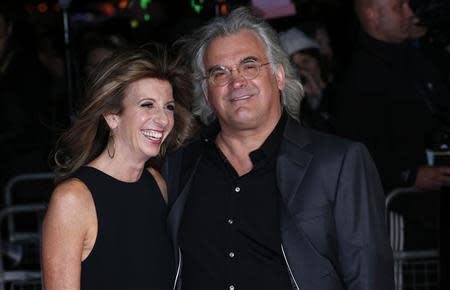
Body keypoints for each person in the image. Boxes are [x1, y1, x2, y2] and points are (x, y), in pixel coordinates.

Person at [164, 7, 394, 290]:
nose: (236, 82)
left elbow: (369, 279)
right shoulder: (179, 166)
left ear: (279, 76)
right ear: (208, 94)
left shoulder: (339, 163)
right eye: (219, 73)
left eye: (249, 66)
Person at [41, 48, 195, 290]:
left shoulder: (157, 184)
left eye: (169, 107)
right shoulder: (73, 199)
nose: (163, 119)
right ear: (112, 116)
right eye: (147, 105)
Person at [334, 0, 450, 192]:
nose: (409, 13)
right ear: (373, 16)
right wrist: (408, 175)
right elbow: (356, 149)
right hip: (411, 201)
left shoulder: (419, 55)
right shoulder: (359, 79)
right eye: (398, 7)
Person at [279, 27, 334, 132]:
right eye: (294, 67)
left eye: (305, 62)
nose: (303, 71)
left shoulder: (343, 88)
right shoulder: (290, 111)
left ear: (318, 60)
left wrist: (321, 101)